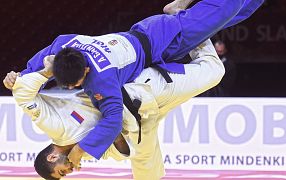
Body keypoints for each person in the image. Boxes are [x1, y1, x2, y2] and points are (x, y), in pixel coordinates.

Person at [3, 0, 265, 168]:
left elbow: (113, 121)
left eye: (63, 172)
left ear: (85, 70)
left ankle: (178, 8)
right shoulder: (65, 45)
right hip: (148, 36)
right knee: (237, 12)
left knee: (227, 10)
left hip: (164, 39)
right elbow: (47, 54)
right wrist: (26, 72)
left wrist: (81, 150)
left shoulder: (101, 80)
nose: (75, 88)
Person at [10, 39, 224, 180]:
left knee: (215, 71)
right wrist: (84, 149)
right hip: (141, 115)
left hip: (136, 95)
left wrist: (46, 72)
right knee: (146, 169)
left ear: (51, 158)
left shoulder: (52, 125)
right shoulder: (80, 148)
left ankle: (197, 34)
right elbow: (121, 151)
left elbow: (22, 94)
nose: (71, 171)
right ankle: (195, 35)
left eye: (62, 172)